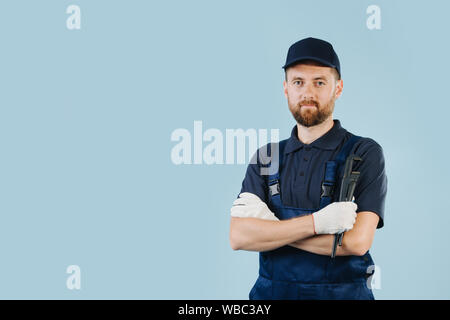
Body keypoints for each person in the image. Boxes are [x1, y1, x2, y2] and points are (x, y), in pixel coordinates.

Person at [229, 37, 388, 300]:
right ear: (286, 88)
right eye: (298, 82)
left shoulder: (364, 153)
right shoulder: (266, 157)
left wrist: (271, 229)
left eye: (320, 82)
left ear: (338, 88)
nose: (308, 93)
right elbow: (239, 237)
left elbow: (357, 243)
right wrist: (319, 224)